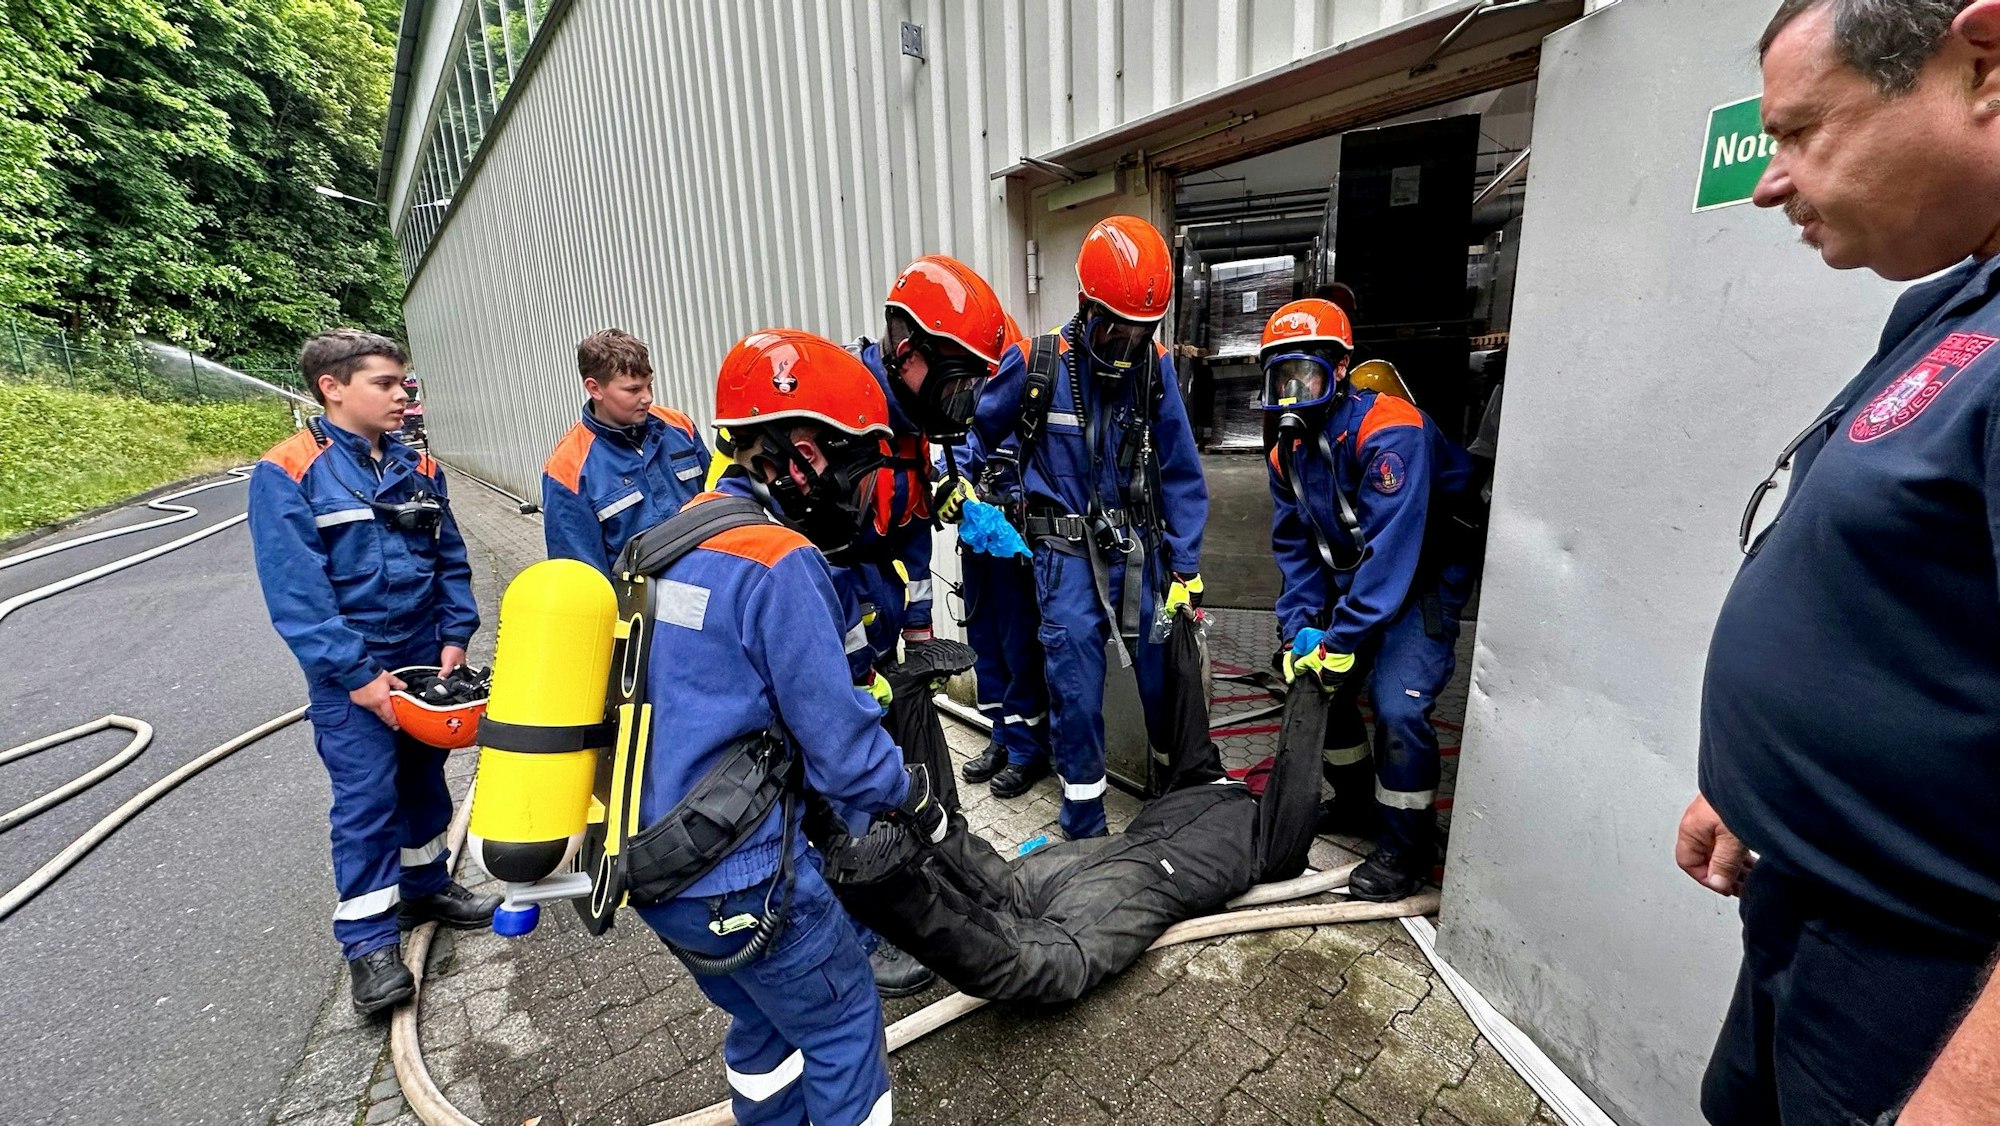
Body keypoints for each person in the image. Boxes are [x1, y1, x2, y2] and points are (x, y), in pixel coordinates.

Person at [1678, 3, 2000, 1122]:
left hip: (1924, 982)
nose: (1770, 183)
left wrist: (1966, 1097)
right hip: (1800, 890)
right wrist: (1757, 782)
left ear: (1983, 67)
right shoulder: (1950, 305)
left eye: (1802, 131)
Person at [625, 329, 934, 1126]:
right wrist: (913, 799)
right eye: (856, 466)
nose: (860, 493)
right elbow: (844, 753)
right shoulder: (778, 560)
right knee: (839, 1027)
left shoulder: (666, 544)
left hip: (657, 876)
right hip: (750, 883)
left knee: (764, 1021)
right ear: (800, 454)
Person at [247, 329, 498, 1015]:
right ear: (332, 387)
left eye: (402, 383)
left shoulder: (421, 468)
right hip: (350, 673)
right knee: (365, 802)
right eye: (385, 383)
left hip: (422, 657)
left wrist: (454, 636)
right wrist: (356, 676)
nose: (401, 394)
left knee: (422, 781)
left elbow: (451, 559)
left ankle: (426, 890)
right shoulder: (290, 471)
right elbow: (297, 596)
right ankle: (368, 944)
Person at [964, 215, 1209, 840]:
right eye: (1115, 329)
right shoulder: (1037, 363)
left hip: (1139, 551)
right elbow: (975, 439)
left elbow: (1180, 469)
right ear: (1084, 305)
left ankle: (1175, 796)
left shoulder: (1152, 370)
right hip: (1065, 555)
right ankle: (1084, 822)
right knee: (1076, 688)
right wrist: (979, 499)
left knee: (1163, 677)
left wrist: (1186, 564)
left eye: (1140, 332)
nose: (1125, 345)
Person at [842, 255, 1026, 995]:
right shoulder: (843, 419)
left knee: (915, 770)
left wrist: (915, 640)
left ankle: (937, 872)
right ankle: (862, 932)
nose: (962, 404)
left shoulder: (912, 420)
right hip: (833, 647)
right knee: (846, 780)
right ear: (906, 349)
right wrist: (857, 672)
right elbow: (825, 569)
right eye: (956, 384)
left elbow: (911, 541)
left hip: (882, 644)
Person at [1262, 298, 1475, 903]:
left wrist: (1340, 639)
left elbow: (1392, 551)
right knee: (1317, 684)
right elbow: (1297, 551)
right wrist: (1296, 629)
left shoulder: (1391, 430)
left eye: (1306, 374)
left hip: (1422, 573)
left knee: (1398, 705)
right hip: (1360, 577)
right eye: (1280, 378)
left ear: (1341, 368)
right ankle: (1357, 803)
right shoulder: (1287, 455)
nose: (1293, 392)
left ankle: (1404, 847)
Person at [541, 328, 710, 574]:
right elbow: (583, 577)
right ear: (595, 388)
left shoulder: (680, 427)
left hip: (710, 582)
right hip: (642, 608)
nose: (648, 398)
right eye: (633, 390)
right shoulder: (567, 471)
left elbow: (715, 499)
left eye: (649, 385)